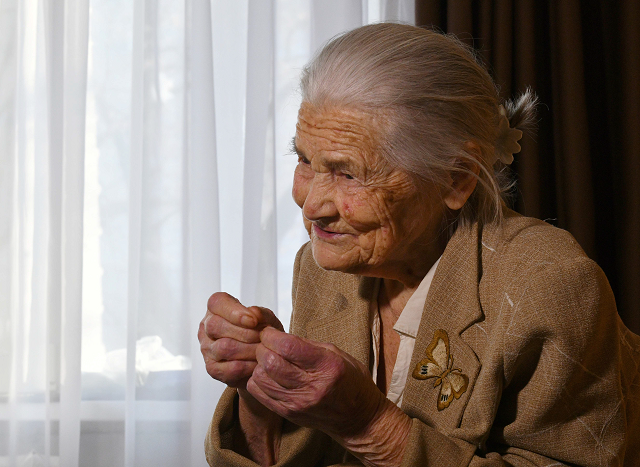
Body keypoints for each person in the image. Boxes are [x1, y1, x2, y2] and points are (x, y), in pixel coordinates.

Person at [198, 23, 640, 466]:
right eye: (305, 161)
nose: (311, 206)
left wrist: (370, 425)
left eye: (347, 173)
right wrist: (258, 390)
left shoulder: (549, 284)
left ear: (456, 179)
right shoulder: (323, 267)